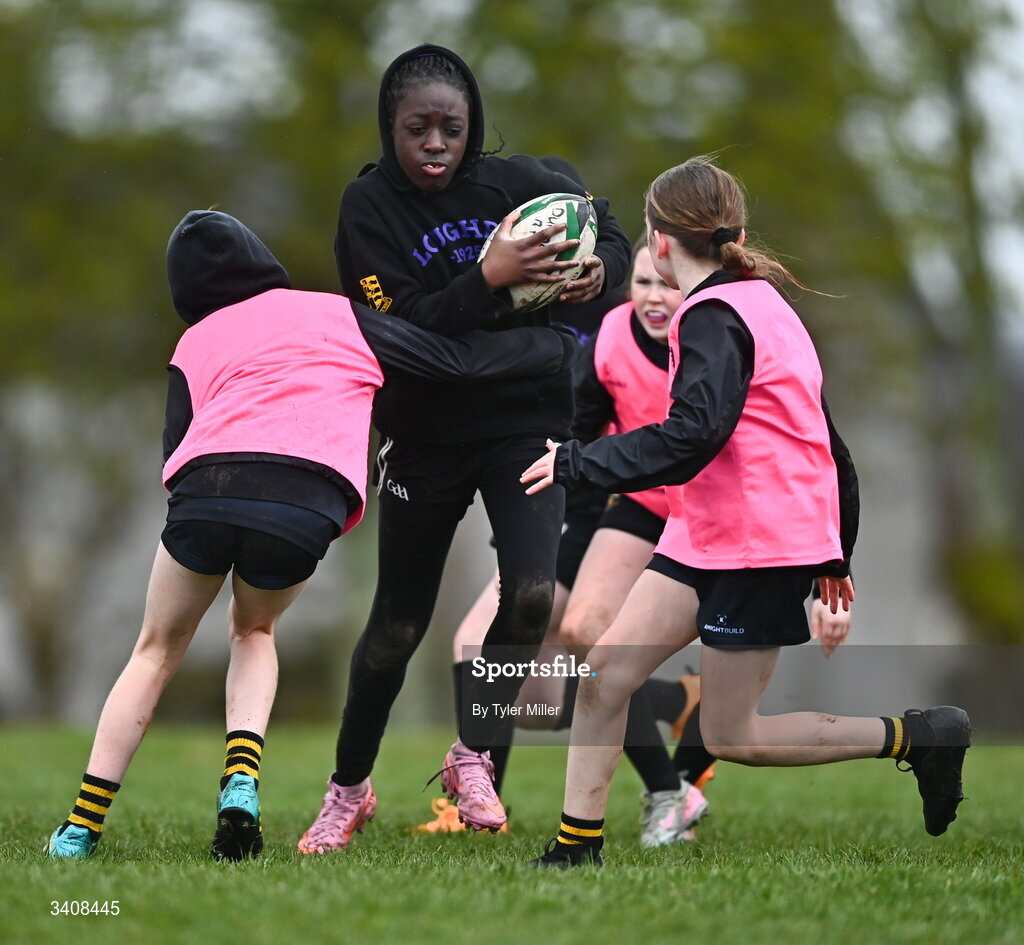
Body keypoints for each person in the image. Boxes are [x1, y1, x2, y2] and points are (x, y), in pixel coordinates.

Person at [43, 209, 577, 861]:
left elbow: (174, 450)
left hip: (207, 491)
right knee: (254, 630)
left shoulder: (196, 339)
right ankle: (239, 779)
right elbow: (453, 363)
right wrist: (553, 346)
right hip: (306, 499)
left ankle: (80, 826)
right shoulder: (337, 312)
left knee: (155, 650)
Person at [520, 156, 970, 868]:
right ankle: (577, 847)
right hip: (704, 537)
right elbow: (828, 442)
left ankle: (918, 736)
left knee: (735, 735)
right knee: (605, 671)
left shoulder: (715, 316)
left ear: (660, 241)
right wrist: (837, 551)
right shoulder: (756, 303)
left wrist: (581, 461)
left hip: (757, 548)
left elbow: (694, 434)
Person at [296, 44, 631, 853]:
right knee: (395, 629)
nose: (437, 143)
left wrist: (597, 274)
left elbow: (612, 235)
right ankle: (348, 789)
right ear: (391, 128)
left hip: (525, 424)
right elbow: (407, 328)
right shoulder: (367, 208)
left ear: (473, 124)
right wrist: (491, 275)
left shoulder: (517, 183)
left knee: (529, 596)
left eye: (452, 127)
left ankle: (472, 752)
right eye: (419, 129)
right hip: (425, 436)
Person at [422, 239, 730, 845]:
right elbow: (578, 431)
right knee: (492, 656)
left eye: (666, 283)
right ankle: (483, 804)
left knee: (585, 643)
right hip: (620, 507)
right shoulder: (612, 336)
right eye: (642, 283)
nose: (654, 296)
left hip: (695, 514)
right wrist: (535, 527)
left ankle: (668, 788)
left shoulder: (713, 338)